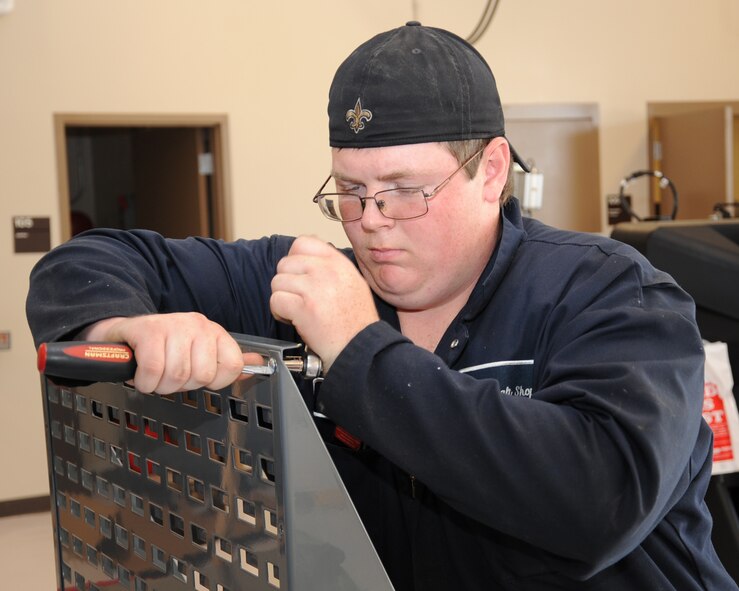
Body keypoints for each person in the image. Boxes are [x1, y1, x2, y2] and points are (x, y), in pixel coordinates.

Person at [26, 22, 736, 590]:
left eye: (403, 189)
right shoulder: (308, 282)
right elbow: (84, 264)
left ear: (490, 170)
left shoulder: (613, 294)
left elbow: (595, 503)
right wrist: (126, 323)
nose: (369, 220)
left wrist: (356, 349)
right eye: (349, 191)